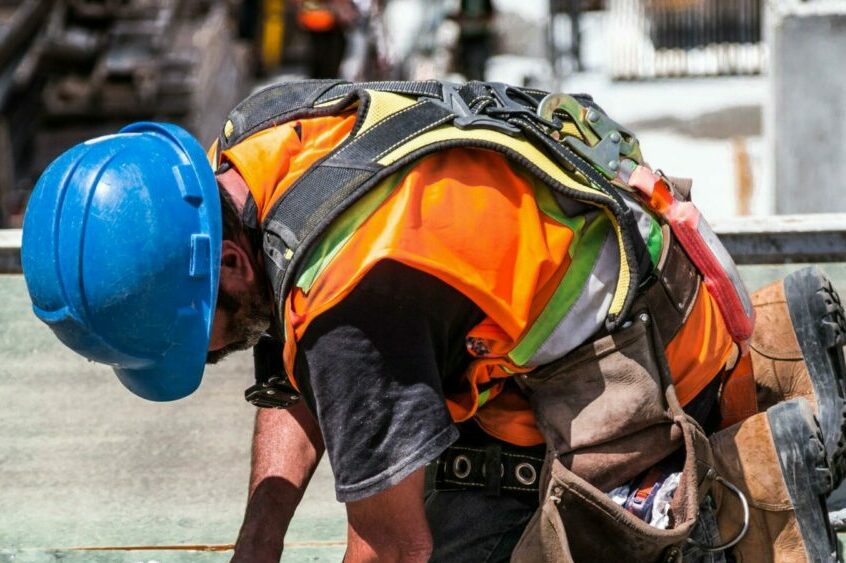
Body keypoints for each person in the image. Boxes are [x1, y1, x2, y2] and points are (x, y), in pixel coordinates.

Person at [20, 79, 846, 562]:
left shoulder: (353, 306)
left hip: (646, 366)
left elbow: (391, 549)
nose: (198, 356)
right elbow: (289, 354)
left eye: (189, 333)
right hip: (639, 263)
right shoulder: (261, 141)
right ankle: (776, 349)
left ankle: (751, 491)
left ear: (228, 263)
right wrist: (261, 533)